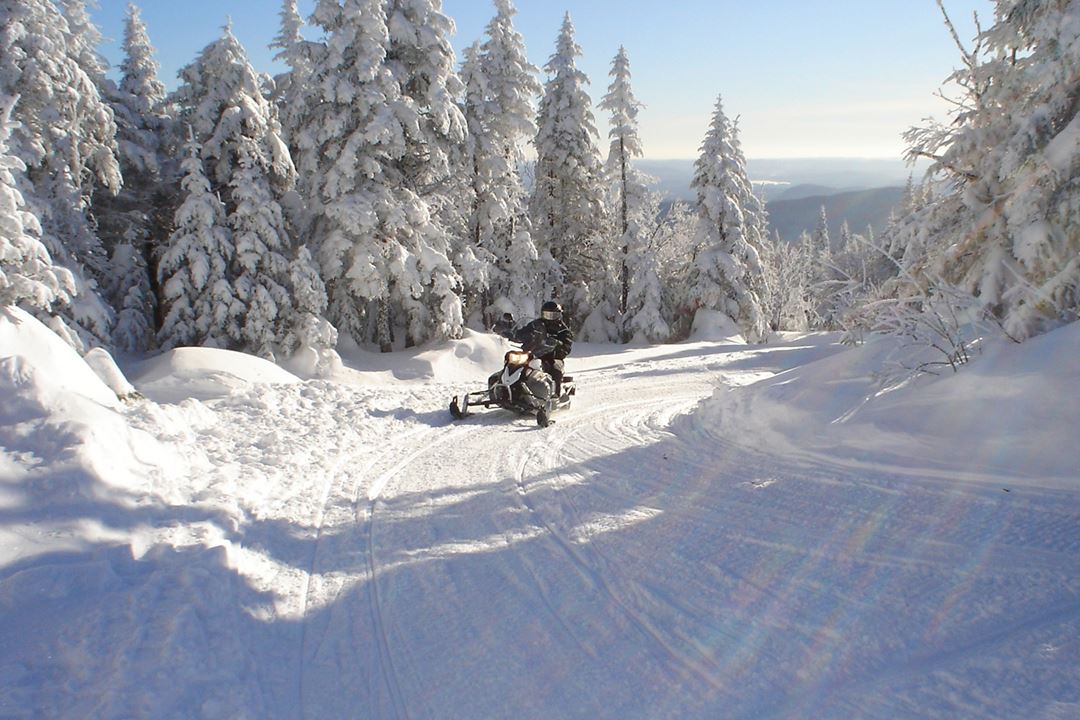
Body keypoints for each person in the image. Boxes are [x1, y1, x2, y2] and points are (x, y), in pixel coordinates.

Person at [495, 300, 574, 396]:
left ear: (558, 315)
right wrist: (511, 334)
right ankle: (503, 388)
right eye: (547, 314)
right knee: (511, 360)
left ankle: (555, 395)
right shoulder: (536, 324)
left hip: (551, 357)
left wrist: (558, 345)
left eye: (553, 315)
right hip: (532, 353)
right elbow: (523, 333)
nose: (549, 317)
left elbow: (566, 347)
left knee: (555, 369)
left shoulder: (563, 330)